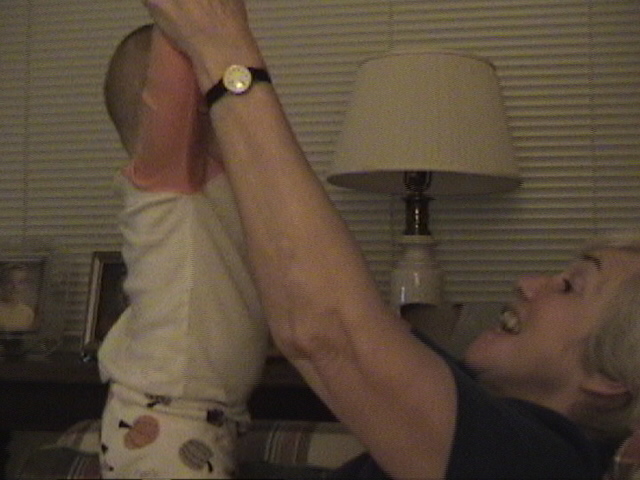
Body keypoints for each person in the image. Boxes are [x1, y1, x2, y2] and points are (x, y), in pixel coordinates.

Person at [142, 1, 640, 478]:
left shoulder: (542, 463)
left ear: (608, 378)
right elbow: (316, 305)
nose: (529, 283)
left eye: (570, 286)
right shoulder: (474, 399)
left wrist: (224, 47)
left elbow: (327, 334)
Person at [97, 23, 268, 478]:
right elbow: (171, 87)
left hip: (206, 419)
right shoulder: (170, 183)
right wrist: (195, 27)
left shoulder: (224, 189)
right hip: (167, 419)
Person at [0, 263, 36, 332]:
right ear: (2, 284)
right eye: (10, 282)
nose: (15, 287)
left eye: (20, 283)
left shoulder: (28, 313)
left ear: (26, 286)